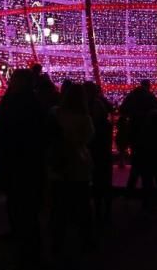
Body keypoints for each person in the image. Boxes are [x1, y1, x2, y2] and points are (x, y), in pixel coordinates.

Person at [0, 69, 46, 270]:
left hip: (21, 163)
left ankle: (29, 255)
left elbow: (4, 131)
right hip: (22, 163)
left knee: (24, 209)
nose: (11, 82)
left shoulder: (22, 104)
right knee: (21, 208)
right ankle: (27, 249)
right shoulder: (30, 103)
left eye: (15, 80)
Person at [48, 83, 95, 256]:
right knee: (82, 202)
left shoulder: (55, 113)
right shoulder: (85, 117)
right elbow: (89, 138)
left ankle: (58, 241)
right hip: (78, 162)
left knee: (59, 203)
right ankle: (85, 239)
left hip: (59, 163)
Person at [83, 82, 114, 225]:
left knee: (92, 179)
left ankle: (95, 209)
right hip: (100, 149)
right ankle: (104, 209)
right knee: (103, 179)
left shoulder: (83, 105)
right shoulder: (100, 103)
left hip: (89, 149)